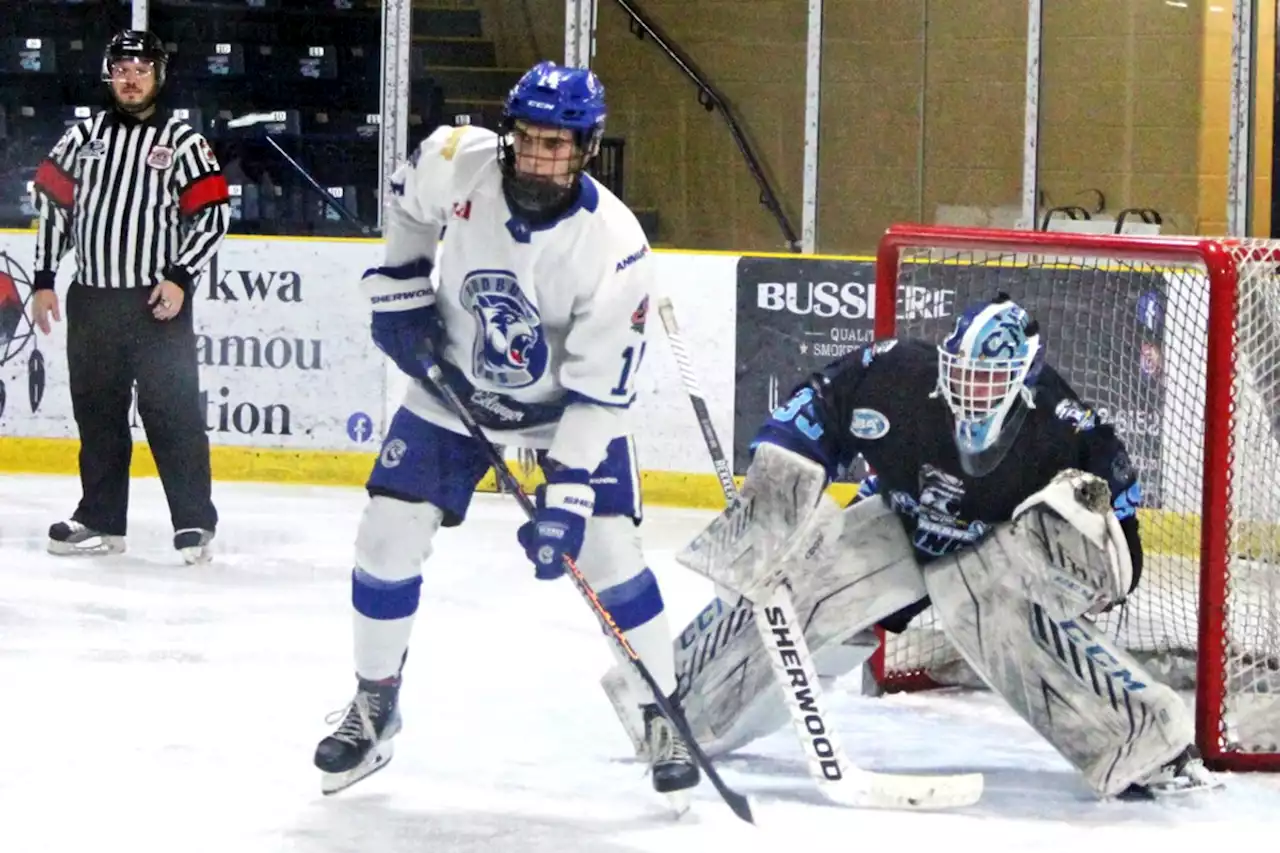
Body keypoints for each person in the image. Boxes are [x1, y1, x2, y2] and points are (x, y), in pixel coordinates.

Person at [312, 61, 700, 801]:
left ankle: (663, 709)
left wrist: (568, 495)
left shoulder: (614, 245)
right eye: (529, 139)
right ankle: (374, 704)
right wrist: (400, 285)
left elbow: (597, 394)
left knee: (611, 551)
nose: (541, 158)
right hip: (454, 387)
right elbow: (407, 206)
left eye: (560, 145)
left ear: (587, 148)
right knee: (386, 533)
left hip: (563, 412)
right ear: (509, 133)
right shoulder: (460, 160)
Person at [658, 294, 1218, 800]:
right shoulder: (897, 372)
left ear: (1022, 380)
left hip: (992, 552)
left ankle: (1147, 743)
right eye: (963, 373)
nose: (970, 391)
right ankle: (668, 705)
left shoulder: (1066, 428)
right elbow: (820, 405)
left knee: (990, 609)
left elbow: (1122, 539)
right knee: (801, 578)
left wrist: (1095, 568)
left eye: (988, 380)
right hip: (901, 519)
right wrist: (779, 484)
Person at [30, 30, 228, 564]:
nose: (131, 77)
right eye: (122, 67)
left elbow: (213, 214)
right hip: (92, 299)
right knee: (97, 414)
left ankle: (192, 522)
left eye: (142, 68)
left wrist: (180, 277)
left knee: (172, 413)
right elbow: (53, 209)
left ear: (158, 75)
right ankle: (100, 520)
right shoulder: (82, 137)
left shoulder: (183, 141)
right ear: (108, 73)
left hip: (154, 303)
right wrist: (45, 279)